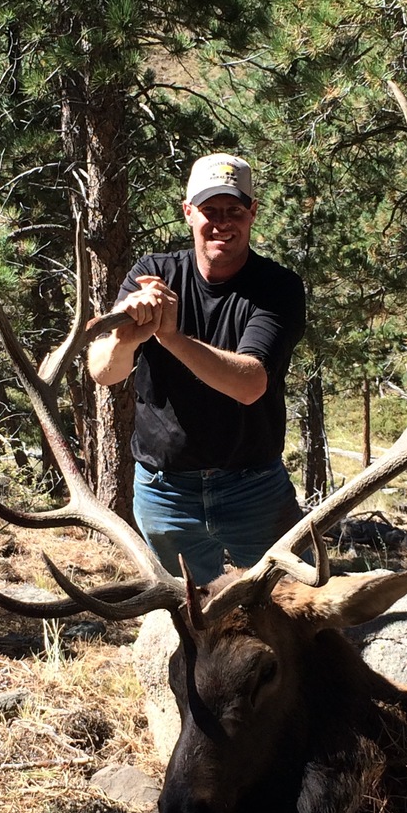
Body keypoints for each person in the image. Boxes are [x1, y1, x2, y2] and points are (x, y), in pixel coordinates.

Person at [87, 153, 307, 585]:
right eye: (209, 210)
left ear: (252, 213)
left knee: (288, 606)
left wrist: (170, 336)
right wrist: (128, 336)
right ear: (188, 212)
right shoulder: (152, 274)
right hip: (165, 493)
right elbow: (103, 371)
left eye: (234, 211)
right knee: (190, 618)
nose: (222, 222)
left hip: (254, 489)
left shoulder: (277, 287)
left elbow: (249, 383)